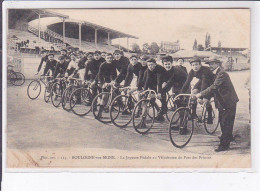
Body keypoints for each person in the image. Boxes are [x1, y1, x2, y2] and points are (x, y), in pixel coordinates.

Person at [195, 57, 239, 152]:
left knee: (225, 122)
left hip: (227, 102)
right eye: (209, 64)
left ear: (218, 64)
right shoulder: (216, 73)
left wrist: (201, 94)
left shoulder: (221, 73)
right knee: (225, 121)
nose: (210, 66)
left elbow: (214, 87)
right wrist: (207, 98)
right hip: (223, 102)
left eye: (212, 64)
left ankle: (224, 145)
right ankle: (228, 137)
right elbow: (213, 89)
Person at [96, 53, 117, 118]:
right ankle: (99, 113)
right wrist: (103, 83)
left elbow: (114, 74)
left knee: (115, 94)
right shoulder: (103, 65)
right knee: (104, 96)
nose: (109, 59)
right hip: (104, 81)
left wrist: (113, 81)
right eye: (108, 58)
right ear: (105, 58)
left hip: (110, 81)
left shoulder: (113, 65)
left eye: (111, 58)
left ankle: (112, 107)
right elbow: (99, 75)